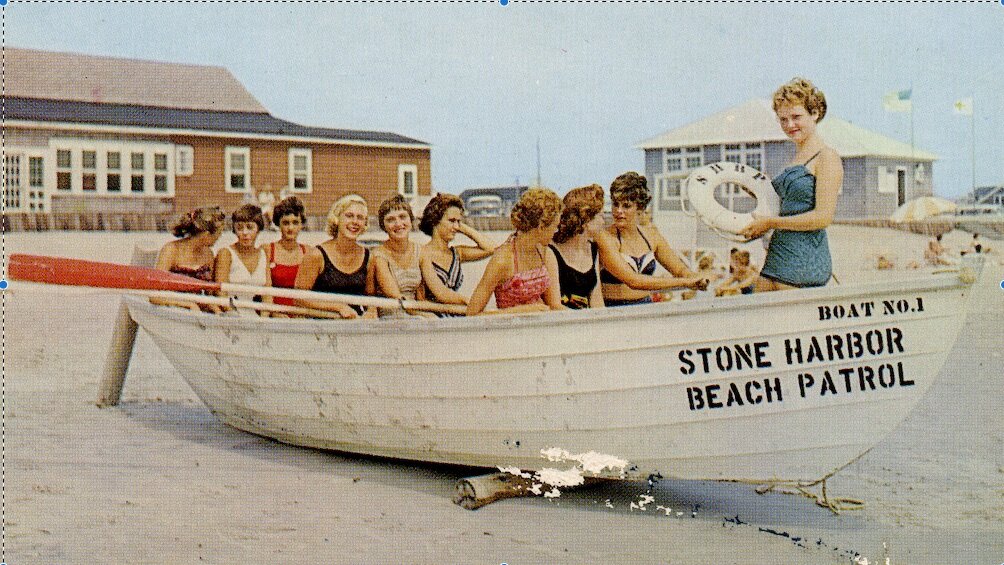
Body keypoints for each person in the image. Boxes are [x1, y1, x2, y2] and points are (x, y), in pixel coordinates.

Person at [740, 78, 842, 291]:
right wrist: (753, 190)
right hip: (779, 253)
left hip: (803, 260)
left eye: (796, 117)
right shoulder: (796, 158)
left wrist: (770, 223)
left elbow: (822, 218)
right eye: (783, 119)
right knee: (759, 319)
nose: (789, 125)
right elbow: (784, 202)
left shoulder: (827, 157)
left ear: (815, 113)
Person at [598, 172, 708, 306]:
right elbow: (633, 281)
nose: (618, 211)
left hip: (646, 305)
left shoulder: (652, 235)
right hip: (613, 308)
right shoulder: (605, 237)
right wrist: (685, 282)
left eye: (626, 206)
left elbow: (679, 269)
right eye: (615, 204)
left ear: (640, 208)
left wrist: (694, 278)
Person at [467, 188, 565, 315]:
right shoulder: (503, 259)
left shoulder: (546, 254)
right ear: (541, 227)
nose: (556, 231)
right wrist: (522, 311)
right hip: (509, 330)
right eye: (555, 227)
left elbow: (555, 306)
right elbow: (472, 313)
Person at [293, 194, 377, 319]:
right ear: (337, 219)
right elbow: (299, 299)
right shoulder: (316, 255)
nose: (354, 222)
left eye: (360, 218)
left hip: (354, 327)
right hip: (319, 328)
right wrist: (338, 307)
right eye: (349, 216)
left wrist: (371, 310)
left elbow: (370, 296)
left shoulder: (369, 257)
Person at [418, 193, 496, 313]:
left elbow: (491, 248)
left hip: (455, 313)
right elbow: (438, 294)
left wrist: (463, 227)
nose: (456, 226)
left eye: (458, 222)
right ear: (435, 221)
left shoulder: (457, 253)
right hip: (431, 315)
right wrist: (470, 302)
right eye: (451, 221)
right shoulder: (421, 253)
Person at [154, 206, 226, 311]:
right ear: (206, 235)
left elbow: (209, 293)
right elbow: (154, 296)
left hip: (198, 313)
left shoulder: (208, 254)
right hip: (172, 310)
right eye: (219, 233)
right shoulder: (171, 250)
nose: (219, 237)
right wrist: (187, 304)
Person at [549, 184, 606, 309]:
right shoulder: (551, 251)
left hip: (585, 324)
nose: (604, 222)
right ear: (586, 221)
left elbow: (596, 299)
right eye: (601, 216)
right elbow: (554, 305)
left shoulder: (593, 250)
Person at [214, 204, 272, 315]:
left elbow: (267, 295)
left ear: (258, 229)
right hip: (230, 315)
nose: (245, 233)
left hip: (255, 317)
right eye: (239, 228)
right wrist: (236, 317)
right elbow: (221, 294)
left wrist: (264, 319)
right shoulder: (226, 253)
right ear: (234, 230)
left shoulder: (263, 254)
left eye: (250, 227)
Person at [373, 195, 424, 317]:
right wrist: (427, 317)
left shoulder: (421, 251)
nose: (398, 223)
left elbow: (424, 295)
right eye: (390, 220)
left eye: (402, 217)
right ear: (383, 226)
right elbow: (396, 296)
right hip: (391, 319)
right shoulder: (378, 255)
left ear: (411, 220)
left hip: (416, 314)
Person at [268, 196, 309, 307]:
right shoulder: (267, 250)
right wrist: (274, 313)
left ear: (302, 225)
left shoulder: (309, 252)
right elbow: (263, 291)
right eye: (286, 223)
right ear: (278, 224)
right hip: (274, 314)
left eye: (295, 223)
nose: (290, 228)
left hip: (301, 315)